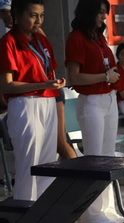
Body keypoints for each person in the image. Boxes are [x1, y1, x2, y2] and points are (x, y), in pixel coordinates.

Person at [66, 0, 124, 223]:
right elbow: (75, 77)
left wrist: (110, 77)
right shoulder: (76, 38)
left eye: (104, 12)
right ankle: (91, 212)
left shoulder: (98, 37)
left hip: (109, 99)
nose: (103, 16)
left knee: (108, 157)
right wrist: (104, 77)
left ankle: (107, 208)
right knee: (94, 158)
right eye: (100, 12)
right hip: (91, 102)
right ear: (88, 12)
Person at [0, 0, 65, 200]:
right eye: (33, 15)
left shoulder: (42, 40)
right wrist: (43, 85)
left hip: (47, 102)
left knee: (47, 167)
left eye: (42, 15)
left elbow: (48, 72)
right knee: (28, 168)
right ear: (17, 15)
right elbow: (6, 86)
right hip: (24, 105)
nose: (38, 21)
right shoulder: (8, 42)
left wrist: (54, 83)